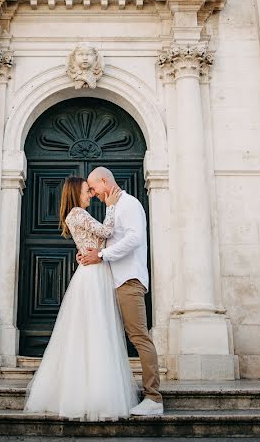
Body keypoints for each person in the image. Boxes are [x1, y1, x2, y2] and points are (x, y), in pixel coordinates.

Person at [24, 176, 139, 421]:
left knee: (95, 331)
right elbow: (106, 232)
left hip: (95, 271)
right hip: (93, 276)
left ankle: (94, 390)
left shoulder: (75, 215)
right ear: (77, 193)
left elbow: (98, 239)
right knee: (95, 331)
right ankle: (93, 394)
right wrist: (111, 204)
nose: (91, 195)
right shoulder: (77, 213)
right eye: (87, 191)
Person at [79, 166, 163, 416]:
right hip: (113, 281)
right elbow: (107, 237)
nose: (92, 194)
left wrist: (101, 255)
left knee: (139, 337)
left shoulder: (130, 204)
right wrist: (88, 254)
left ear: (105, 182)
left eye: (93, 188)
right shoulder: (114, 207)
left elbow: (135, 238)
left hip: (129, 280)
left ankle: (154, 398)